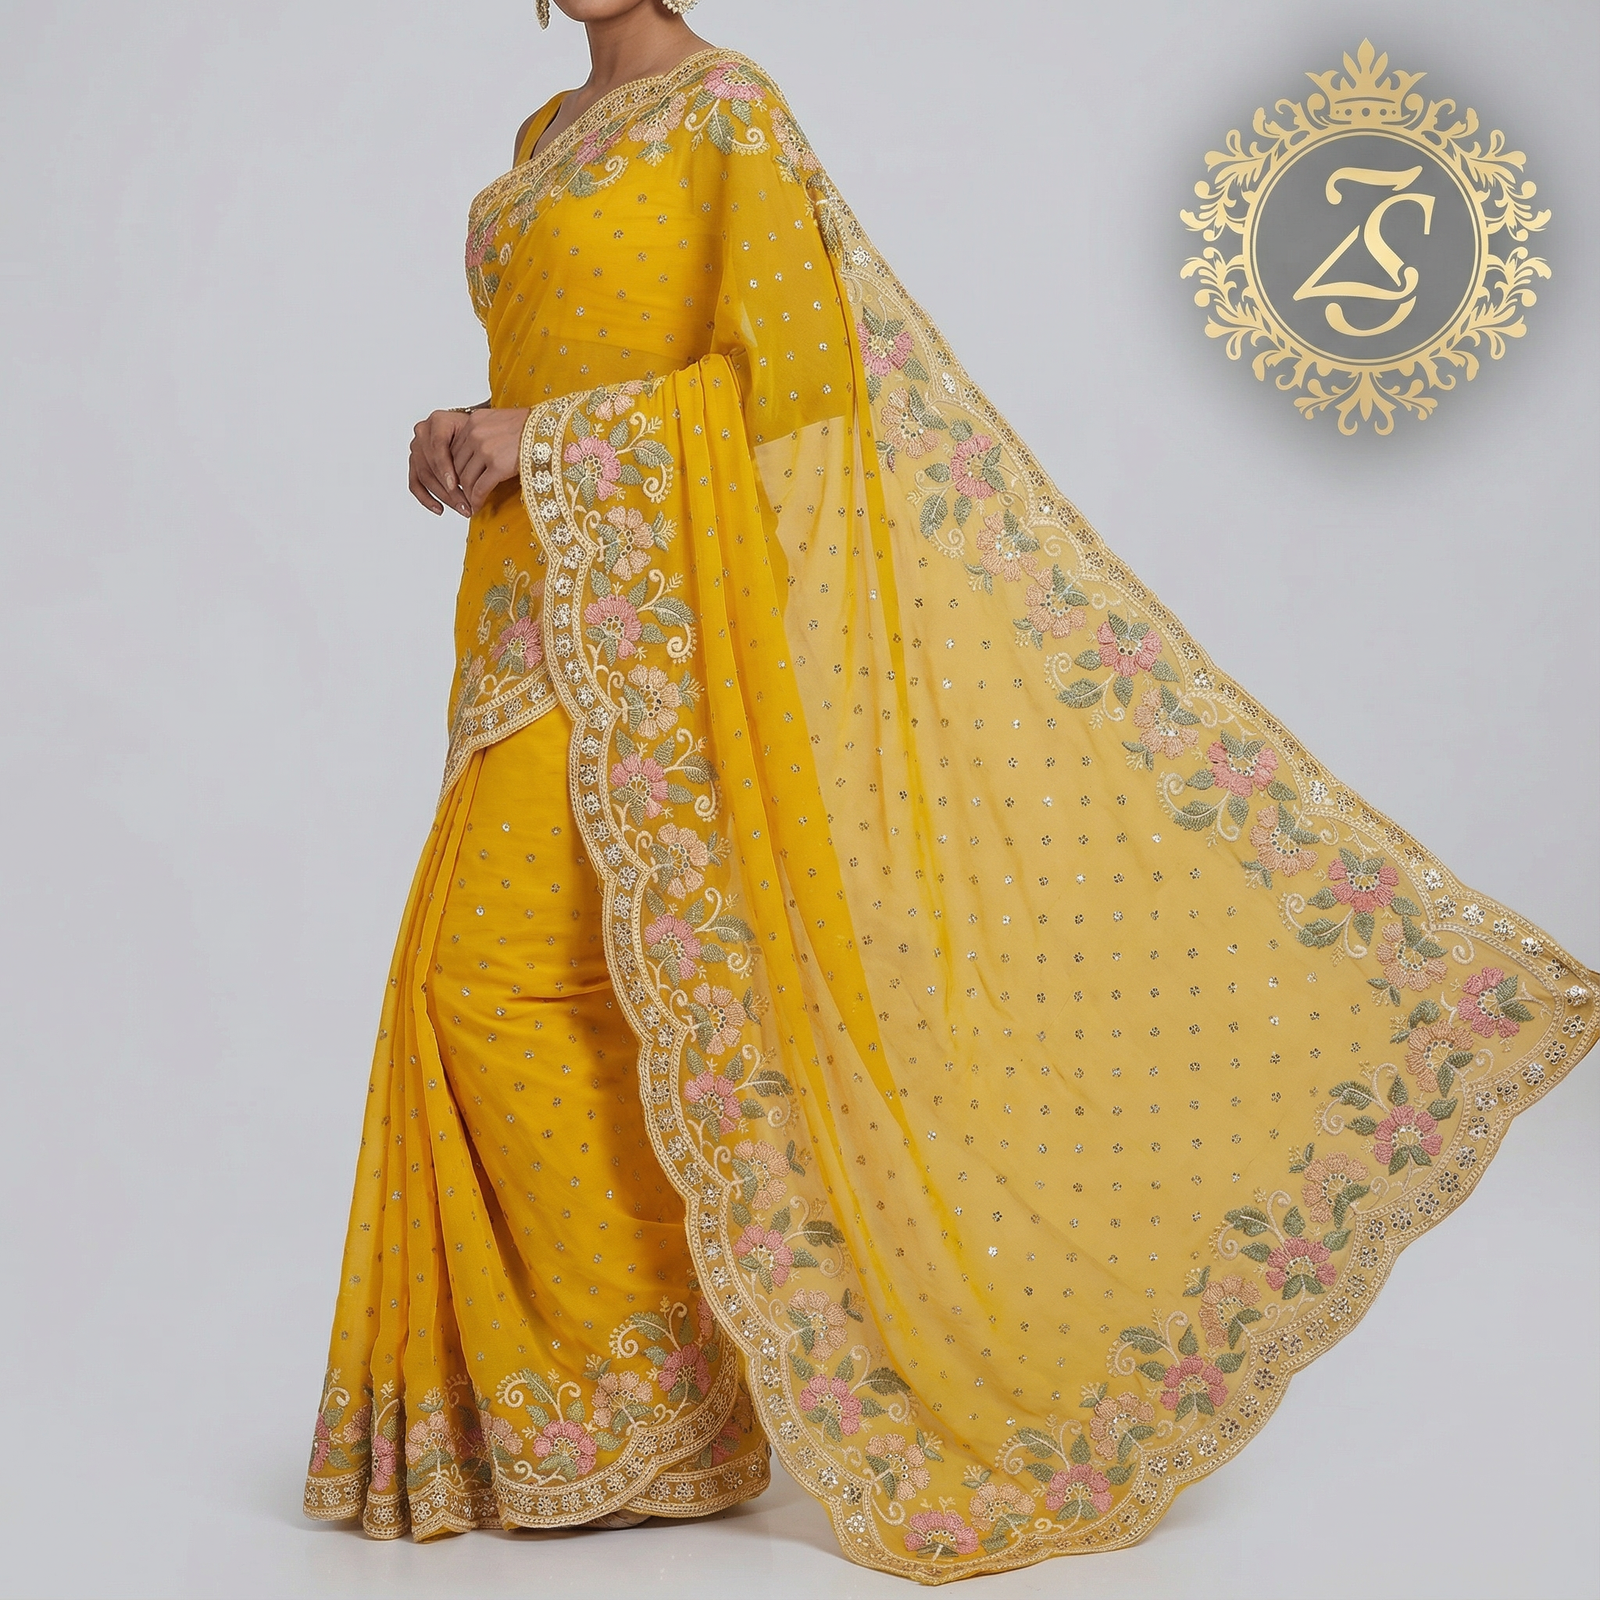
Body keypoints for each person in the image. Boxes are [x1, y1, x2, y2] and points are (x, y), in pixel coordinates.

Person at [304, 0, 1596, 1579]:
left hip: (653, 624)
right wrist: (467, 433)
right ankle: (636, 1414)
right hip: (525, 619)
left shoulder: (725, 110)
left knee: (492, 984)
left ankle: (649, 1415)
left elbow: (795, 387)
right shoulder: (542, 137)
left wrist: (550, 440)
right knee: (568, 996)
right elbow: (574, 357)